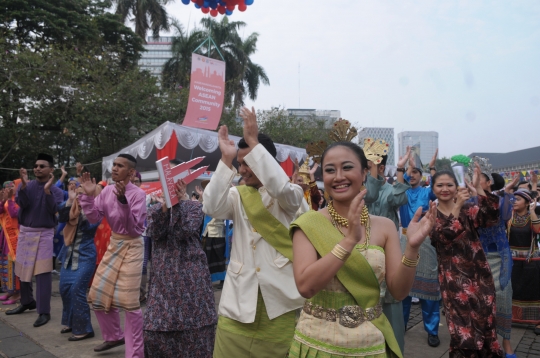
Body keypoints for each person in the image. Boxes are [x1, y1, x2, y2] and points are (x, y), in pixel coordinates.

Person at [289, 140, 436, 358]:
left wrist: (412, 249)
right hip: (317, 343)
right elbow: (305, 287)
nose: (338, 176)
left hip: (370, 342)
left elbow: (399, 291)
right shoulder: (308, 223)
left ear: (365, 173)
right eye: (330, 170)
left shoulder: (385, 227)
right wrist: (348, 242)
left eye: (347, 167)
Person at [203, 107, 305, 358]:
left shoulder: (291, 195)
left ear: (265, 160)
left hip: (280, 302)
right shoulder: (238, 196)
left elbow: (280, 188)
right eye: (240, 164)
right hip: (238, 301)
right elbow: (211, 206)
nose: (243, 170)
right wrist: (226, 160)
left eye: (248, 163)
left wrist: (252, 142)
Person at [429, 167, 503, 357]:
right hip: (454, 281)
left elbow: (490, 218)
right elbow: (444, 237)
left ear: (456, 186)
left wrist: (478, 189)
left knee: (485, 323)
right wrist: (456, 207)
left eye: (449, 185)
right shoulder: (430, 215)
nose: (445, 189)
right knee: (463, 331)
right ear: (433, 188)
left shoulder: (468, 209)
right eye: (440, 185)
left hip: (480, 276)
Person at [79, 154, 146, 357]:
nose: (114, 168)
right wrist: (89, 197)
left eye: (120, 166)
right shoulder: (107, 190)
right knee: (98, 294)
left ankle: (135, 353)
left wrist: (123, 203)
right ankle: (113, 336)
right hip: (115, 244)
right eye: (114, 165)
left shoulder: (138, 195)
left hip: (133, 246)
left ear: (131, 172)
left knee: (129, 302)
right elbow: (93, 218)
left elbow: (135, 230)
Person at [144, 180, 217, 357]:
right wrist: (165, 207)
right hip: (163, 282)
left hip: (191, 277)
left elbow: (183, 230)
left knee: (196, 333)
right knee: (156, 334)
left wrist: (176, 205)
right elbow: (155, 232)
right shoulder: (155, 209)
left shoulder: (194, 207)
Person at [6, 153, 64, 328]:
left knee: (43, 273)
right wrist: (23, 185)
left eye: (42, 166)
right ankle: (26, 301)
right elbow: (22, 204)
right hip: (25, 232)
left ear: (51, 170)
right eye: (36, 166)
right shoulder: (27, 186)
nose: (37, 168)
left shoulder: (57, 191)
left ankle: (44, 311)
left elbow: (54, 210)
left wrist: (47, 190)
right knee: (22, 268)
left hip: (44, 234)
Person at [364, 149, 411, 354]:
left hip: (386, 253)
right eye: (365, 167)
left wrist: (400, 169)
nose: (365, 171)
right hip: (363, 252)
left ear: (381, 168)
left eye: (369, 166)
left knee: (391, 301)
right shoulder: (360, 190)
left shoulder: (389, 190)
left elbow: (400, 200)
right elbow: (369, 196)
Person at [400, 149, 441, 347]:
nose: (413, 174)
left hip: (426, 242)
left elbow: (437, 187)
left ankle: (432, 330)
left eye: (417, 171)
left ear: (422, 175)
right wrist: (405, 165)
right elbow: (399, 181)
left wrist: (432, 166)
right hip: (405, 239)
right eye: (410, 172)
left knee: (429, 287)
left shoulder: (427, 192)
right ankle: (400, 325)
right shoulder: (402, 191)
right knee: (403, 288)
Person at [477, 169, 519, 358]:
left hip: (499, 257)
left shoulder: (503, 201)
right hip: (478, 257)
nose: (475, 181)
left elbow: (503, 214)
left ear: (489, 183)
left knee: (503, 297)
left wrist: (505, 192)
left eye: (479, 178)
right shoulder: (470, 201)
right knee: (480, 301)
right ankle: (484, 340)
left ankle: (507, 342)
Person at [58, 185, 99, 341]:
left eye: (84, 194)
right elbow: (61, 218)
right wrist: (69, 199)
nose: (80, 197)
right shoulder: (71, 207)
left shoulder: (95, 210)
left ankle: (84, 329)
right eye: (78, 194)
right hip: (68, 256)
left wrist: (85, 205)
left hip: (85, 256)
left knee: (77, 289)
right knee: (64, 289)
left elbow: (89, 226)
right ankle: (71, 322)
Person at [508, 189, 540, 333]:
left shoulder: (532, 216)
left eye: (518, 199)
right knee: (513, 289)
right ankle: (510, 317)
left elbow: (538, 230)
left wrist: (532, 211)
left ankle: (537, 320)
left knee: (532, 290)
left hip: (530, 259)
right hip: (513, 259)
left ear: (527, 203)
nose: (514, 201)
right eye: (513, 199)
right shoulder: (510, 217)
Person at [197, 181, 228, 289]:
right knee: (207, 257)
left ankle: (223, 280)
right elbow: (201, 210)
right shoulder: (207, 199)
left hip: (218, 233)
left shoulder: (221, 198)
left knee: (219, 258)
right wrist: (202, 198)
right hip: (207, 232)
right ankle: (207, 279)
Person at [0, 181, 21, 305]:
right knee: (5, 264)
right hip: (5, 237)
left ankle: (18, 294)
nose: (8, 188)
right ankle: (9, 291)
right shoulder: (6, 199)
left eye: (11, 186)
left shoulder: (18, 200)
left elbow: (14, 214)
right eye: (6, 187)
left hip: (16, 237)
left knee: (14, 266)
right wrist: (3, 200)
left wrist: (9, 200)